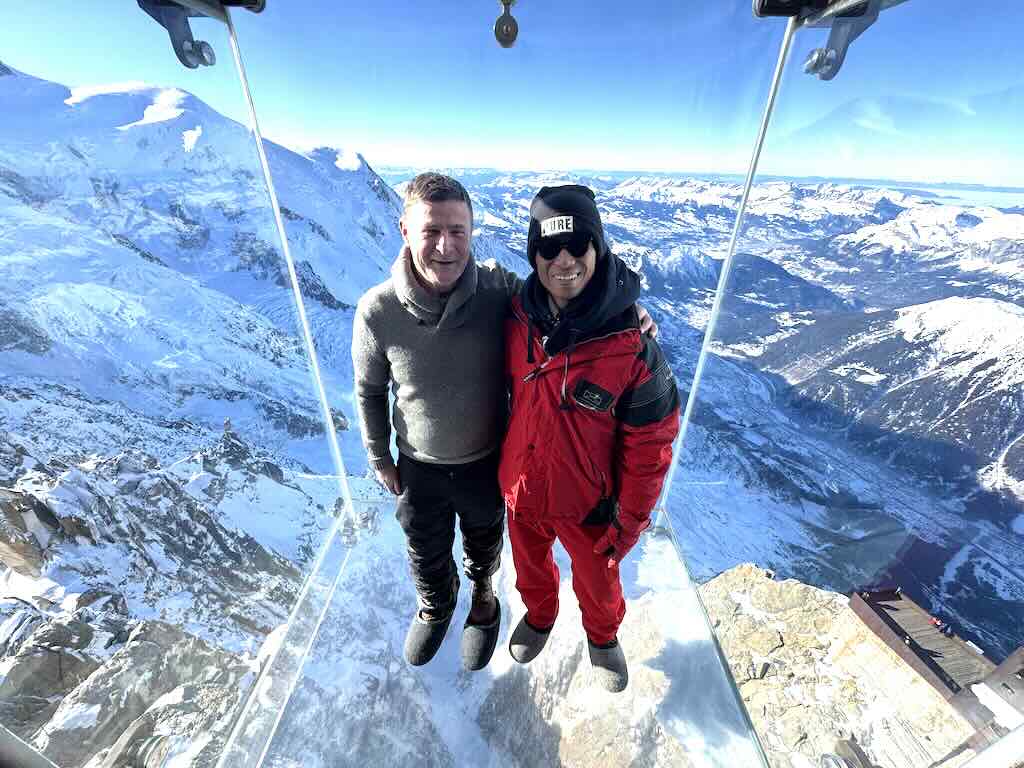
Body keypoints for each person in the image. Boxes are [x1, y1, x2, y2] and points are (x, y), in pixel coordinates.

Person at [352, 173, 657, 672]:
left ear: (473, 232)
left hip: (488, 462)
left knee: (484, 545)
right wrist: (379, 455)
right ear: (404, 230)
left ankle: (486, 602)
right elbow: (368, 389)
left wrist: (626, 308)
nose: (446, 246)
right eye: (431, 231)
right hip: (422, 465)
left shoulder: (500, 293)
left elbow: (566, 297)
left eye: (458, 231)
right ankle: (436, 606)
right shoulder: (378, 311)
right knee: (425, 547)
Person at [499, 184, 680, 692]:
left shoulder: (632, 346)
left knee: (599, 581)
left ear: (598, 249)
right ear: (533, 253)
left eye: (578, 246)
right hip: (523, 487)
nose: (564, 261)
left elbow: (652, 447)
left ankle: (602, 636)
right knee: (530, 564)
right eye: (548, 248)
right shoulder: (515, 316)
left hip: (590, 503)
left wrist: (630, 519)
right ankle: (540, 614)